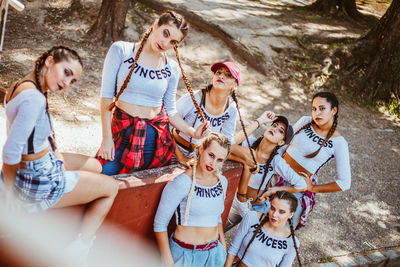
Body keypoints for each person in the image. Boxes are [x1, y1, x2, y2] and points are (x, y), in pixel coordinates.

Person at [0, 46, 119, 260]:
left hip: (42, 163)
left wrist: (55, 152)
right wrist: (10, 194)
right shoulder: (34, 99)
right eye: (66, 73)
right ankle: (79, 249)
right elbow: (10, 151)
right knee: (112, 187)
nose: (66, 84)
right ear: (49, 61)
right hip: (37, 178)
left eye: (72, 81)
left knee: (97, 166)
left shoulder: (23, 85)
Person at [97, 11, 208, 175]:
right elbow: (106, 97)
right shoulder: (121, 50)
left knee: (142, 190)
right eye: (165, 33)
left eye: (172, 41)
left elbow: (170, 111)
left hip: (155, 138)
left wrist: (193, 132)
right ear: (156, 24)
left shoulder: (172, 68)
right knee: (101, 175)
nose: (165, 42)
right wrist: (106, 139)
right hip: (122, 132)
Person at [261, 91, 351, 229]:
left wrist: (313, 188)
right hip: (274, 174)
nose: (317, 113)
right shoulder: (305, 121)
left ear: (334, 110)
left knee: (279, 229)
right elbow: (284, 145)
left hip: (296, 189)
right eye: (314, 109)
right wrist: (266, 167)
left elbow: (344, 182)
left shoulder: (339, 143)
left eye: (322, 108)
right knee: (257, 218)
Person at [154, 133, 231, 267]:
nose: (213, 163)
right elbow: (160, 224)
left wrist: (223, 245)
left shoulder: (222, 182)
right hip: (186, 255)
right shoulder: (182, 183)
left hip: (214, 255)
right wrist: (168, 261)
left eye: (220, 160)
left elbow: (216, 215)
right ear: (201, 149)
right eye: (211, 155)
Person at [225, 112, 307, 231]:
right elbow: (228, 144)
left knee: (251, 241)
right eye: (274, 125)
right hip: (234, 200)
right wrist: (260, 120)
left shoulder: (276, 161)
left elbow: (302, 185)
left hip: (256, 206)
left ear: (281, 142)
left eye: (280, 131)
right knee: (215, 232)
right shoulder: (250, 142)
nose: (275, 129)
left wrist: (274, 190)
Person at [173, 61, 240, 166]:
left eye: (228, 75)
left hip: (200, 157)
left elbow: (227, 140)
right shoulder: (195, 98)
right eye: (218, 72)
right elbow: (165, 123)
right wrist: (181, 157)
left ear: (235, 85)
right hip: (173, 150)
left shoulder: (231, 109)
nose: (221, 76)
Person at [225, 191, 301, 267]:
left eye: (281, 212)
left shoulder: (292, 242)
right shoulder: (252, 217)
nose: (274, 214)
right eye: (272, 208)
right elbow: (233, 249)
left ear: (291, 214)